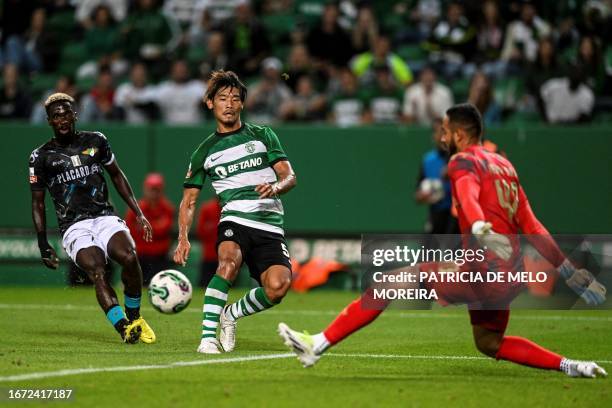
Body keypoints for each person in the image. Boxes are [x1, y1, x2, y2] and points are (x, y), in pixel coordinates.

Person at [278, 103, 608, 379]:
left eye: (445, 131)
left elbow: (467, 194)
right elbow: (532, 226)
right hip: (509, 275)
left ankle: (316, 344)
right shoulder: (505, 166)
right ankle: (571, 365)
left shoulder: (462, 161)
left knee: (388, 283)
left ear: (460, 135)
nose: (442, 136)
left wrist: (479, 227)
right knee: (489, 342)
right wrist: (569, 271)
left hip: (482, 269)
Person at [173, 70, 297, 354]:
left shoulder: (262, 134)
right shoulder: (203, 151)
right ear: (210, 103)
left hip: (269, 224)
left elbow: (290, 176)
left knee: (278, 288)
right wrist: (182, 238)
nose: (229, 103)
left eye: (235, 98)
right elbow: (188, 201)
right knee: (227, 264)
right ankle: (207, 338)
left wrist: (277, 188)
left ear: (242, 104)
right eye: (222, 98)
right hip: (234, 218)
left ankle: (231, 314)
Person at [29, 92, 155, 344]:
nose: (62, 119)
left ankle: (135, 317)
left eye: (66, 114)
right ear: (49, 121)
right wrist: (43, 243)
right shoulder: (40, 157)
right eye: (56, 116)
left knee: (129, 258)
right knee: (98, 270)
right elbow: (38, 203)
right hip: (74, 225)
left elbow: (117, 176)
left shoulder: (97, 140)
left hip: (104, 216)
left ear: (74, 115)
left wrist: (138, 212)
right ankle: (123, 328)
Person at [126, 173, 174, 285]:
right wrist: (155, 226)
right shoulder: (137, 208)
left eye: (157, 190)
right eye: (151, 189)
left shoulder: (167, 208)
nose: (154, 193)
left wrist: (144, 228)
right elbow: (130, 231)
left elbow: (163, 229)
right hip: (140, 257)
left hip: (160, 257)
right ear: (145, 189)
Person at [415, 118, 458, 234]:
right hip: (436, 214)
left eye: (444, 132)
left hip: (456, 217)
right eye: (437, 132)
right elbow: (418, 192)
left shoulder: (459, 158)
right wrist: (422, 195)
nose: (440, 136)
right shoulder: (428, 160)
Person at [196, 197, 222, 288]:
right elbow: (200, 231)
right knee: (205, 285)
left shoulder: (233, 208)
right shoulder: (207, 208)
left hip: (228, 256)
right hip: (209, 256)